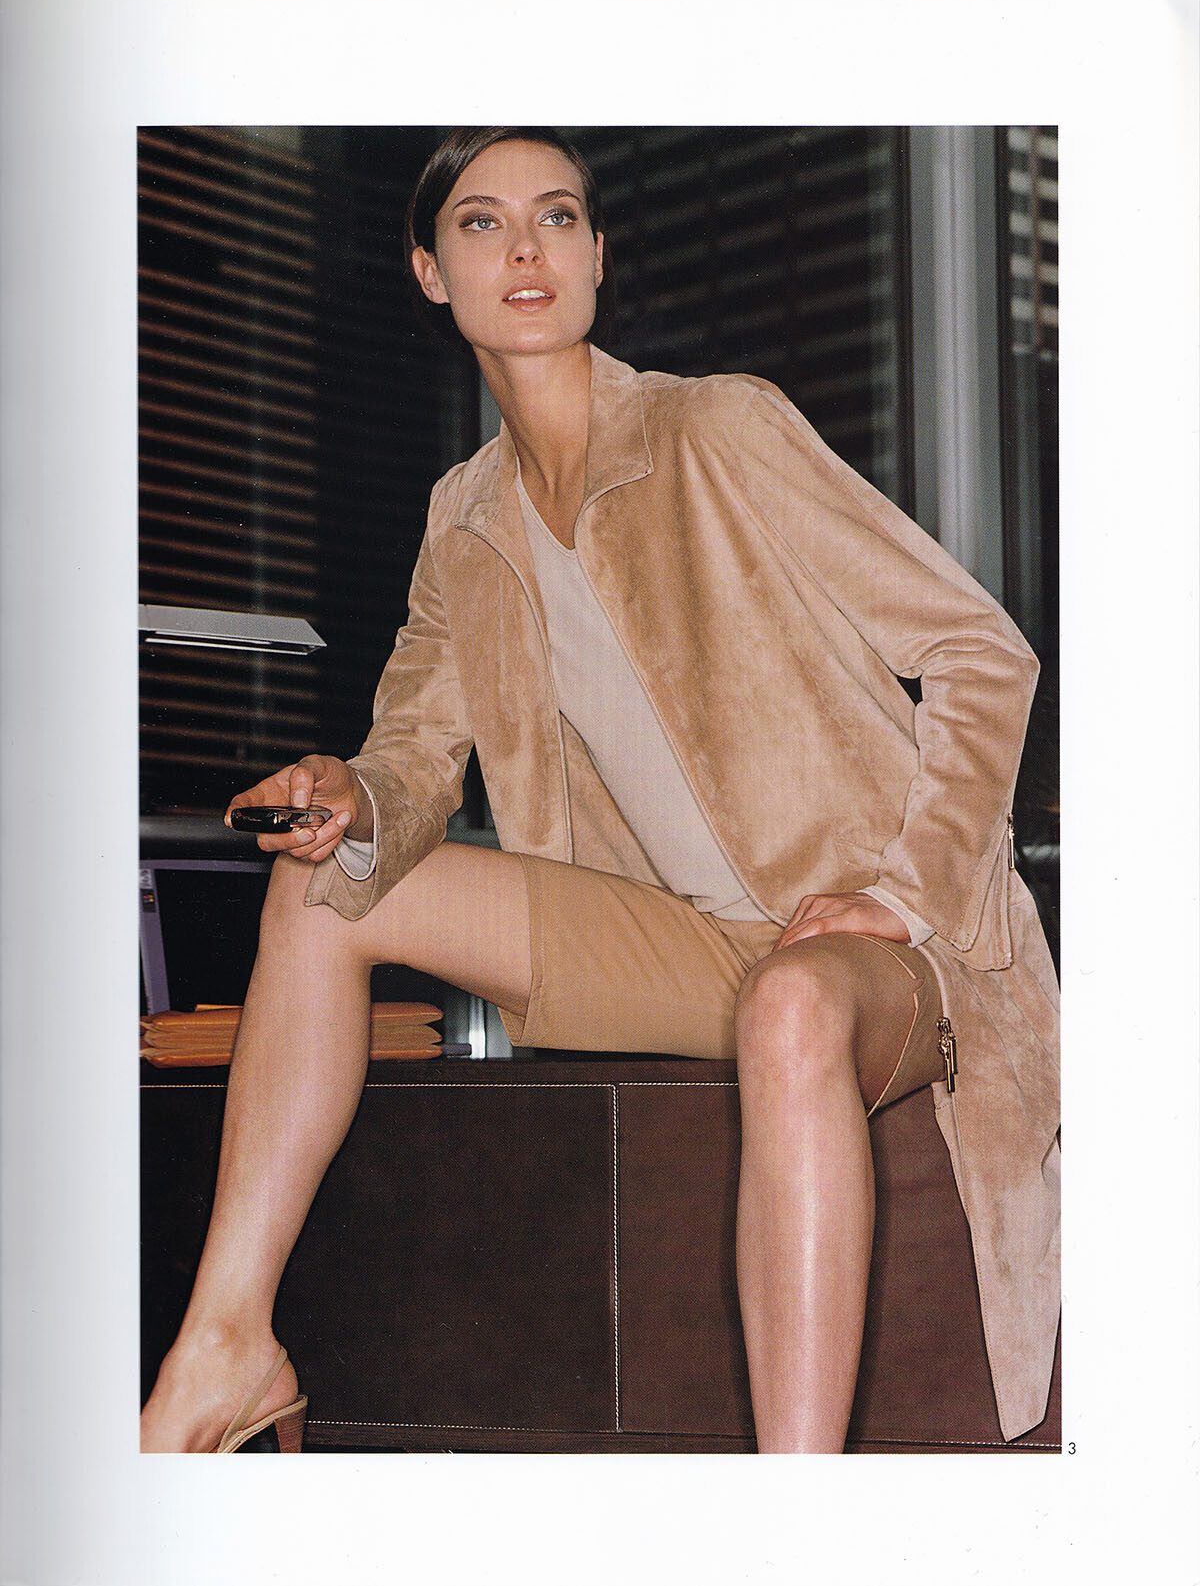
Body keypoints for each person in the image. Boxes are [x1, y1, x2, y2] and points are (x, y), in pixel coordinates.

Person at [140, 127, 1060, 1455]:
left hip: (883, 948)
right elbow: (413, 757)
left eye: (557, 216)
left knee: (794, 1002)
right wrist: (349, 793)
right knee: (324, 890)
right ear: (428, 272)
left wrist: (905, 897)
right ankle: (228, 1343)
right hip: (684, 937)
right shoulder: (464, 518)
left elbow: (983, 652)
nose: (525, 247)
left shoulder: (716, 428)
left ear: (598, 256)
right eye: (481, 222)